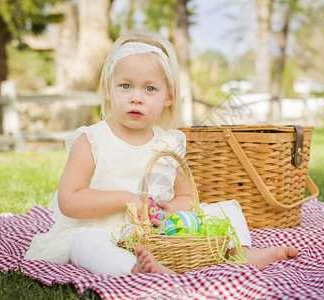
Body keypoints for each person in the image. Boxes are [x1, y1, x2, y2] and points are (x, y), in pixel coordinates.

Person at [24, 30, 298, 276]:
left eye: (150, 88)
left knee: (222, 209)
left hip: (158, 231)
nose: (137, 97)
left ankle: (238, 252)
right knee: (84, 245)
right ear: (108, 90)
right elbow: (69, 201)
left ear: (169, 96)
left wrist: (170, 209)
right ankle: (133, 268)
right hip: (102, 228)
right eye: (125, 86)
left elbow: (186, 197)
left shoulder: (167, 143)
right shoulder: (92, 140)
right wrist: (127, 199)